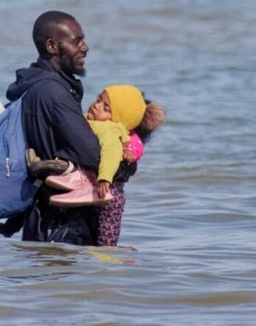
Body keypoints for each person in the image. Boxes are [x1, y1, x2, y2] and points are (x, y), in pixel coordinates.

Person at [0, 11, 102, 245]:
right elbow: (93, 154)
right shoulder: (53, 92)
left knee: (43, 281)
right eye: (77, 41)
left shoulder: (34, 87)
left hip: (40, 219)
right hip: (63, 225)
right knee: (64, 282)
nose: (85, 47)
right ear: (52, 46)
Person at [42, 84, 166, 246]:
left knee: (106, 241)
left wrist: (105, 179)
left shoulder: (110, 130)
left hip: (109, 192)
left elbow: (111, 154)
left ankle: (107, 262)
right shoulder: (90, 120)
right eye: (99, 99)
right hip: (98, 185)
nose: (96, 105)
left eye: (106, 107)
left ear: (117, 119)